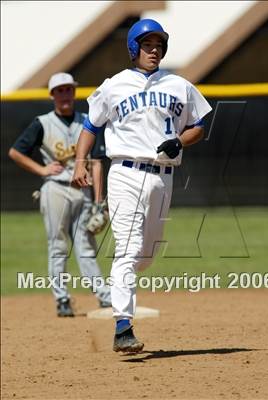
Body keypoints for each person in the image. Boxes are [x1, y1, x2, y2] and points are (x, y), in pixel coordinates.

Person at [72, 19, 212, 352]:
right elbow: (91, 125)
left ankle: (123, 285)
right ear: (134, 49)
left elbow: (200, 125)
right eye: (147, 45)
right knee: (128, 248)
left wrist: (180, 141)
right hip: (125, 173)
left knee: (145, 255)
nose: (154, 50)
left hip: (163, 178)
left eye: (159, 45)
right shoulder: (114, 85)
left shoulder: (179, 85)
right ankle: (123, 326)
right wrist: (80, 161)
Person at [8, 72, 111, 317]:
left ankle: (104, 297)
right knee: (57, 245)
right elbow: (15, 152)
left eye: (68, 89)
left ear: (74, 92)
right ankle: (62, 299)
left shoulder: (88, 120)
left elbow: (96, 163)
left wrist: (99, 201)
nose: (65, 94)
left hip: (83, 191)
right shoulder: (42, 123)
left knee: (86, 245)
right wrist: (41, 169)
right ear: (53, 94)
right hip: (55, 190)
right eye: (60, 90)